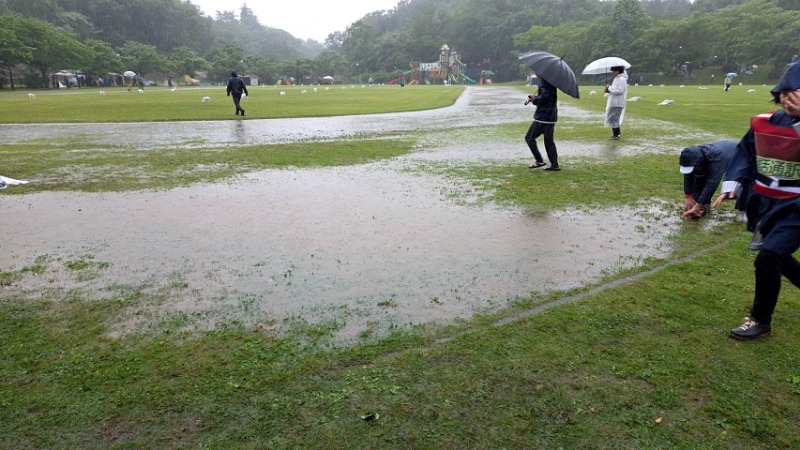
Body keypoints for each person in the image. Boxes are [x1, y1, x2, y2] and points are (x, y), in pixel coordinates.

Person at [711, 62, 800, 340]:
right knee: (776, 254)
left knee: (769, 256)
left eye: (794, 94)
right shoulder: (764, 123)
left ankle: (760, 319)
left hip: (796, 206)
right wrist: (732, 185)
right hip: (765, 202)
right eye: (784, 93)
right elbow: (746, 154)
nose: (788, 100)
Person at [680, 140, 749, 220]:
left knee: (742, 183)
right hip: (719, 154)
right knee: (699, 177)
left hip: (741, 156)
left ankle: (745, 211)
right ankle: (703, 206)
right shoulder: (692, 157)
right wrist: (688, 197)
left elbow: (712, 182)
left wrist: (698, 204)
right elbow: (688, 175)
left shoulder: (717, 159)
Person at [524, 76, 560, 171]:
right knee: (549, 141)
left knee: (529, 138)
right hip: (551, 117)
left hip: (543, 117)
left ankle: (539, 160)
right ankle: (554, 164)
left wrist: (534, 99)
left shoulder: (545, 81)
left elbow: (544, 98)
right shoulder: (550, 80)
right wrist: (536, 98)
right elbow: (545, 97)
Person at [604, 66, 628, 140]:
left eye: (613, 71)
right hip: (614, 101)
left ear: (618, 71)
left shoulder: (622, 79)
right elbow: (614, 89)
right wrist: (608, 89)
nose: (612, 72)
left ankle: (617, 134)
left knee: (615, 119)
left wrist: (609, 88)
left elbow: (620, 90)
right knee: (611, 118)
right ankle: (615, 134)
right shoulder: (616, 78)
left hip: (618, 102)